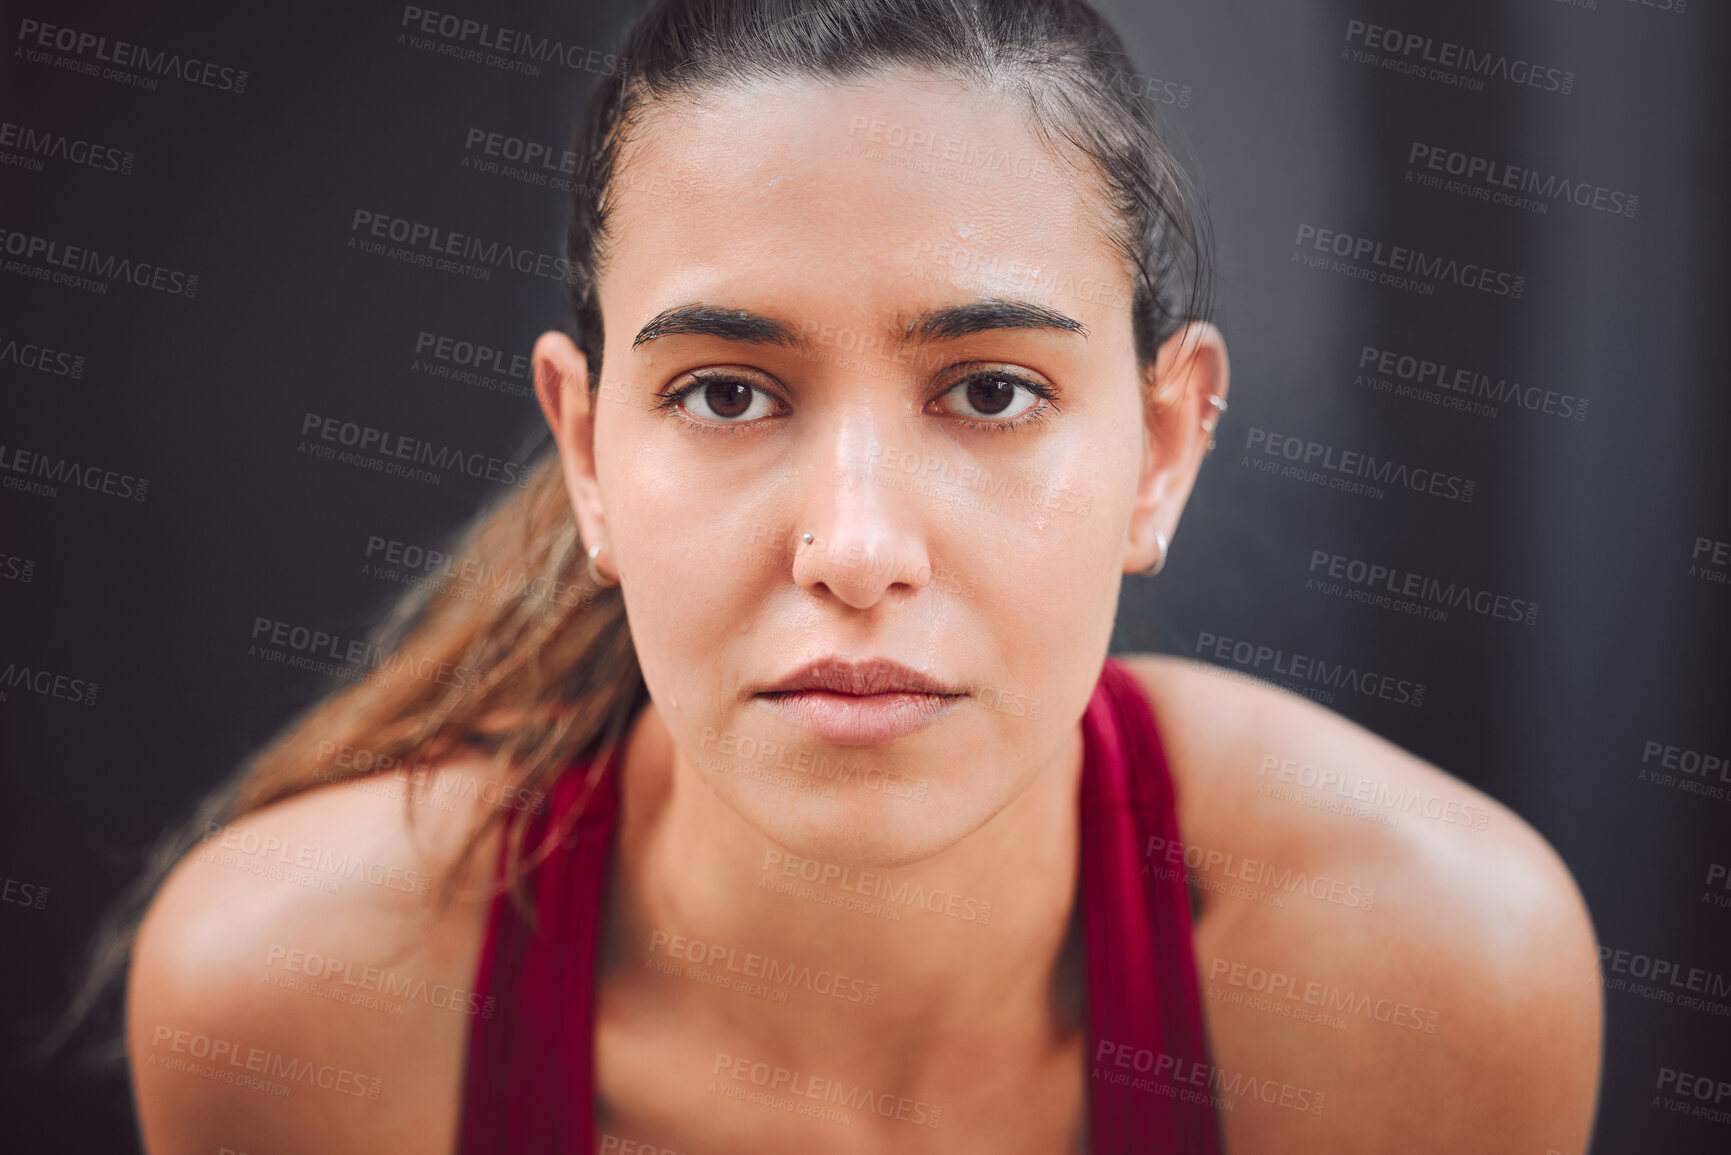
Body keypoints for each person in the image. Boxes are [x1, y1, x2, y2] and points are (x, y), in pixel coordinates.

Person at [120, 0, 1603, 1151]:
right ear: (587, 455)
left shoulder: (1430, 981)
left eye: (992, 392)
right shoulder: (299, 1003)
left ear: (1162, 448)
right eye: (723, 393)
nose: (856, 549)